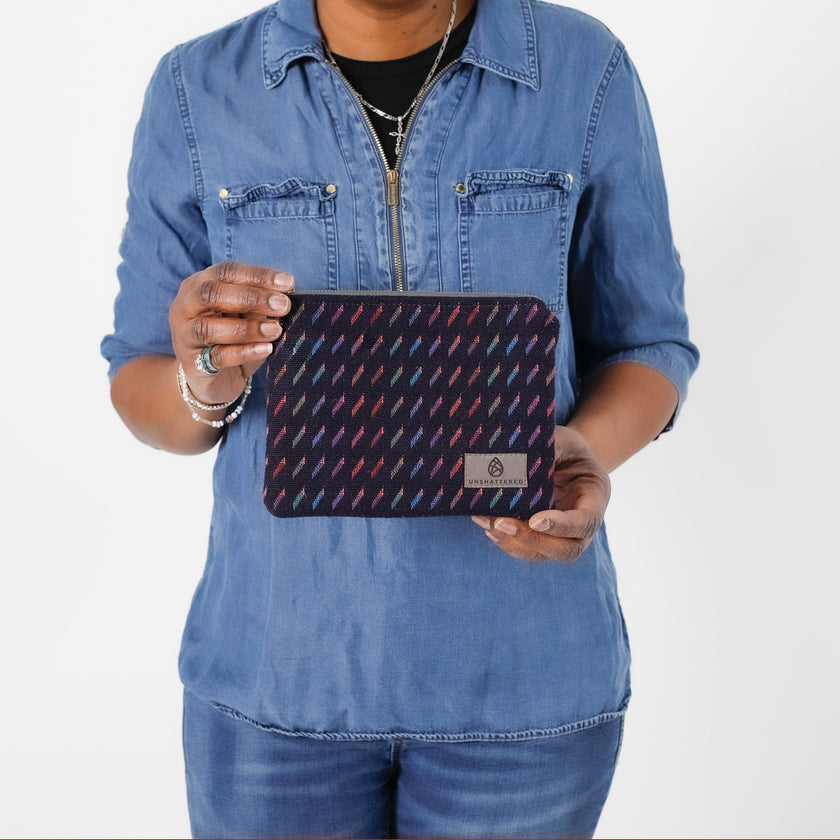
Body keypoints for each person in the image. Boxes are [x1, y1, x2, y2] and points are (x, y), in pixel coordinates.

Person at [102, 0, 698, 836]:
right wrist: (204, 372)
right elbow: (140, 382)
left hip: (524, 686)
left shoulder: (580, 66)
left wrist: (577, 451)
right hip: (274, 678)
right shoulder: (196, 88)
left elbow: (650, 342)